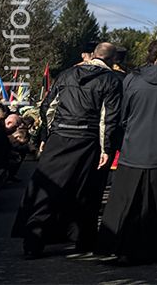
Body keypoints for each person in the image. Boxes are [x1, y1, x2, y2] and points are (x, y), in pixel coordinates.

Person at [12, 42, 123, 258]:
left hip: (61, 136)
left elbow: (48, 106)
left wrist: (49, 135)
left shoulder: (67, 74)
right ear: (112, 60)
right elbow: (108, 118)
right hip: (88, 140)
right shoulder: (111, 80)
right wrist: (106, 148)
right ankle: (83, 239)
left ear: (93, 55)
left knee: (47, 188)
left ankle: (33, 240)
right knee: (86, 191)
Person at [97, 49, 157, 264]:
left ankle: (115, 243)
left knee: (125, 202)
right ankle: (156, 248)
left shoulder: (133, 80)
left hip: (133, 150)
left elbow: (123, 114)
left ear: (156, 62)